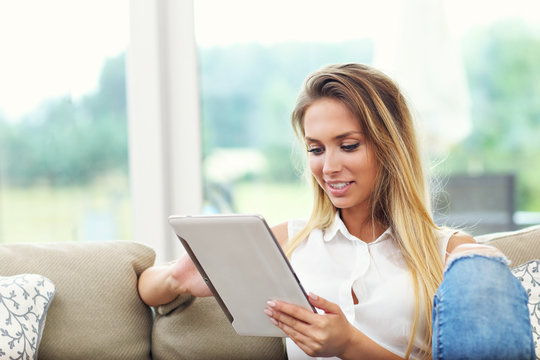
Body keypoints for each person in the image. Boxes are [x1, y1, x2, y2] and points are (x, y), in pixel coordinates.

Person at [138, 63, 534, 359]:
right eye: (315, 149)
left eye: (348, 146)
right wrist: (179, 276)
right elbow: (149, 288)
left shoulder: (449, 254)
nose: (328, 167)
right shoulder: (286, 241)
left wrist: (349, 344)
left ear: (389, 148)